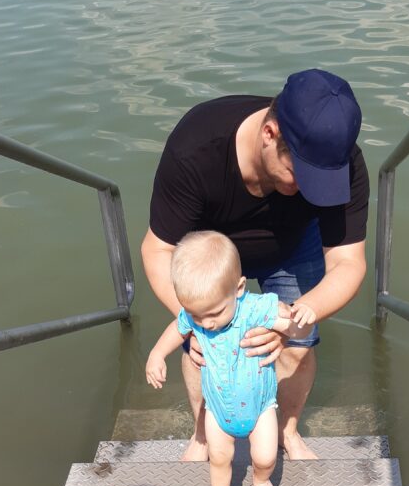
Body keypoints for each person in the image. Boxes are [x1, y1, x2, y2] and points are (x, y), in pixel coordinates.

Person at [141, 68, 369, 463]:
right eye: (300, 174)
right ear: (269, 134)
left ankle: (285, 431)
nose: (307, 190)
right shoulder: (196, 148)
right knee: (202, 347)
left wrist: (297, 317)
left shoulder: (341, 161)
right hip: (212, 250)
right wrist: (196, 320)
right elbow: (157, 249)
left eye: (321, 182)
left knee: (297, 344)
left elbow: (348, 262)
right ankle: (202, 434)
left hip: (295, 245)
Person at [145, 231, 314, 486]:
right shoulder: (195, 315)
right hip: (218, 409)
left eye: (214, 313)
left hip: (260, 408)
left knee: (265, 457)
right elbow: (177, 328)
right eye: (197, 316)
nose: (205, 323)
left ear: (238, 289)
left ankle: (261, 481)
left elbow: (293, 329)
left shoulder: (254, 309)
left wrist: (301, 321)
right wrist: (157, 354)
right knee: (219, 459)